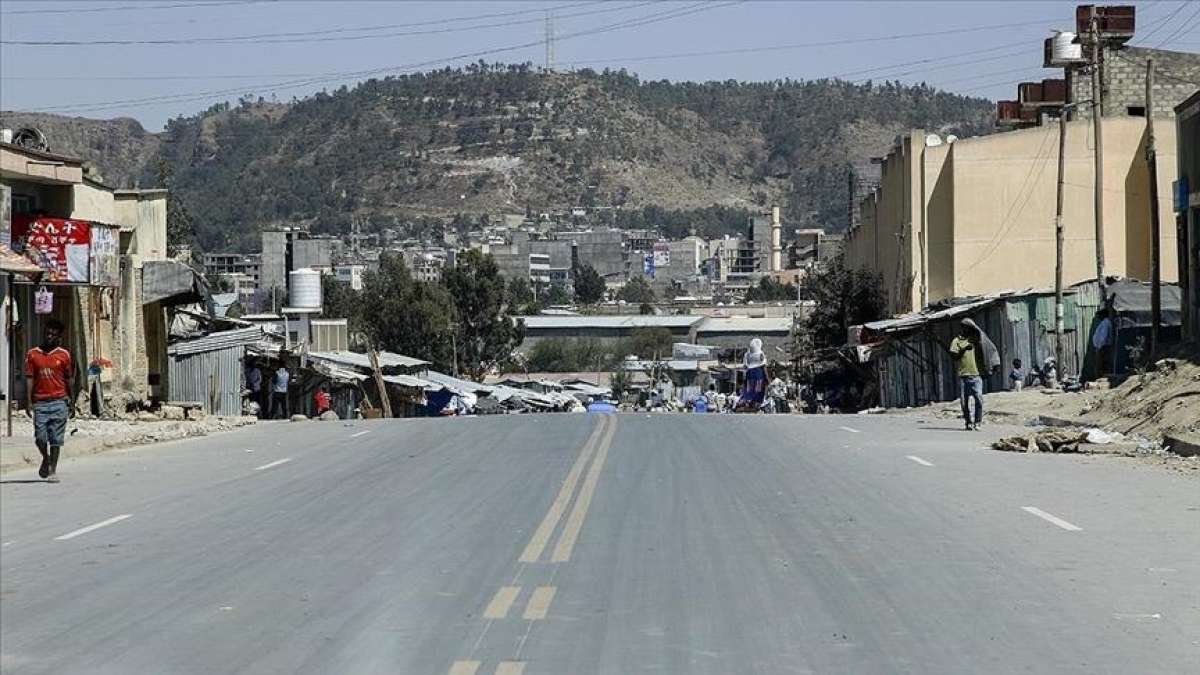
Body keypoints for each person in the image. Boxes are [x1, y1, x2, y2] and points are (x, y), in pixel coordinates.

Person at [25, 320, 73, 482]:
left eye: (53, 334)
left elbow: (68, 379)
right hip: (40, 402)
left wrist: (71, 400)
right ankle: (45, 458)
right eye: (47, 333)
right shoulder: (33, 354)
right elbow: (30, 378)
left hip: (59, 400)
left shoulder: (64, 355)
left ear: (59, 337)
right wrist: (29, 401)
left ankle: (53, 470)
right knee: (40, 437)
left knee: (56, 439)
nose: (49, 337)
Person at [948, 318, 999, 430]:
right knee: (964, 402)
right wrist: (964, 349)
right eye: (965, 327)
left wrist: (994, 364)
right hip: (963, 375)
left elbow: (989, 348)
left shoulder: (977, 339)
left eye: (969, 327)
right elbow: (953, 356)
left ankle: (978, 422)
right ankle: (968, 422)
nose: (967, 329)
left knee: (979, 399)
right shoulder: (957, 341)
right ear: (962, 328)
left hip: (976, 375)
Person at [741, 338, 768, 411]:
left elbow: (745, 366)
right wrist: (767, 378)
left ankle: (750, 404)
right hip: (759, 373)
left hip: (749, 373)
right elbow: (764, 366)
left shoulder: (747, 354)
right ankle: (756, 405)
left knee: (750, 389)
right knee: (758, 389)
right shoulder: (761, 354)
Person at [1092, 308, 1114, 378]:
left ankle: (1100, 379)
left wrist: (1099, 347)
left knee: (1100, 365)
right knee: (1101, 365)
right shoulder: (1105, 322)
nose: (1099, 317)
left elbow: (1103, 337)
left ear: (1103, 315)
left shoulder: (1105, 323)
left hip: (1103, 347)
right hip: (1103, 347)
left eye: (1100, 315)